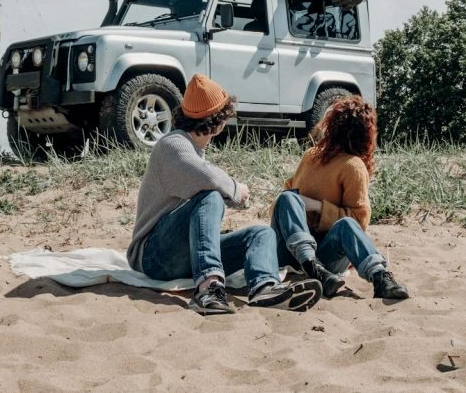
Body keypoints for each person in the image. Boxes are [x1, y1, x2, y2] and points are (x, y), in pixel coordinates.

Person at [127, 74, 323, 314]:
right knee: (210, 195)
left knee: (260, 234)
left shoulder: (191, 148)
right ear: (217, 120)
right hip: (153, 256)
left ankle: (265, 288)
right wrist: (235, 189)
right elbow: (207, 177)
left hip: (184, 254)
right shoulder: (173, 144)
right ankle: (208, 289)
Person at [270, 96, 409, 301]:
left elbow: (359, 221)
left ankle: (380, 276)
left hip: (326, 254)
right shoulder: (310, 156)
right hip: (291, 248)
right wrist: (296, 206)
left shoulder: (353, 166)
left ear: (334, 125)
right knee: (287, 199)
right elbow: (285, 198)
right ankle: (310, 264)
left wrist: (318, 207)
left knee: (347, 224)